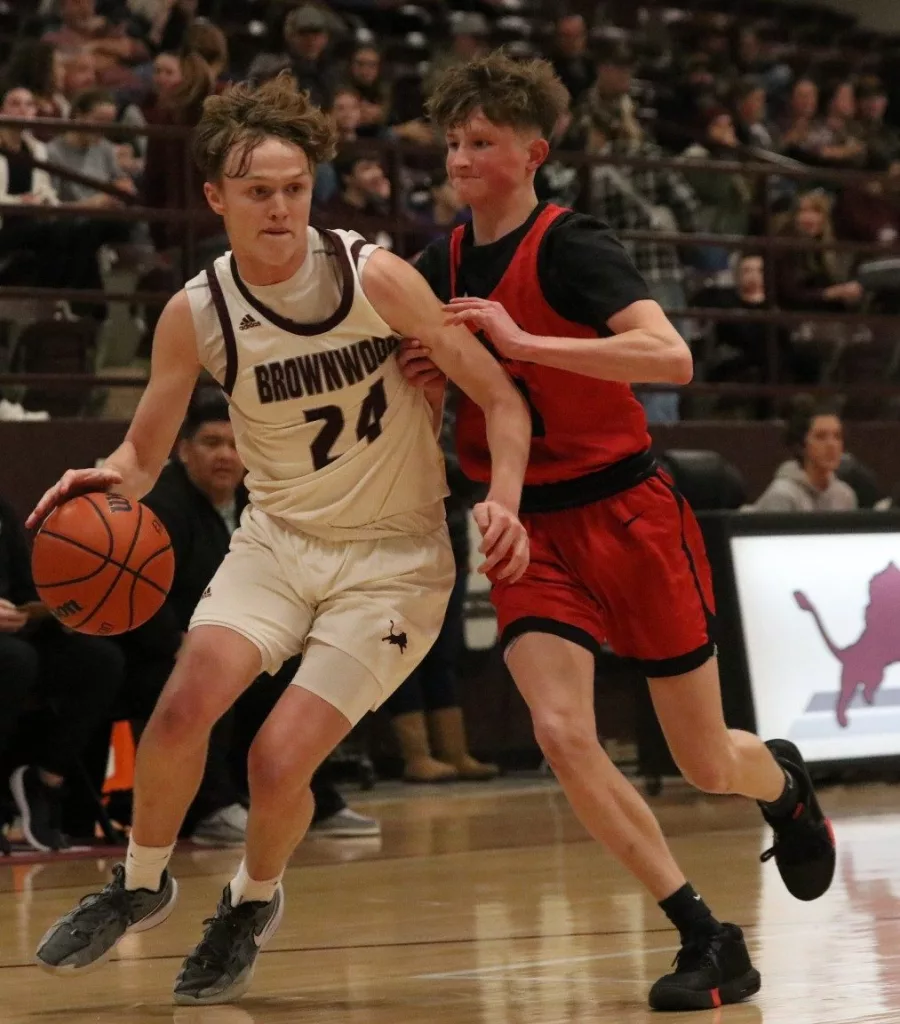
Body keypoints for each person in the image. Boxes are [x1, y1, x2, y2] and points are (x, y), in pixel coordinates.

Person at [30, 73, 531, 1005]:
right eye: (257, 190)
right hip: (278, 540)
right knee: (180, 710)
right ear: (215, 197)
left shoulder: (376, 277)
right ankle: (140, 883)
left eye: (294, 188)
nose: (279, 207)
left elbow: (502, 399)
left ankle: (251, 900)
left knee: (275, 758)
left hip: (393, 559)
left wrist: (502, 501)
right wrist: (104, 479)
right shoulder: (196, 313)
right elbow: (143, 453)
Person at [401, 51, 836, 1012]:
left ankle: (782, 787)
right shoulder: (439, 264)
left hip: (628, 513)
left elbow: (671, 357)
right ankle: (706, 933)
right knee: (562, 732)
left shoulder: (573, 245)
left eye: (481, 142)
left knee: (704, 761)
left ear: (533, 153)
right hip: (530, 526)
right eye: (453, 142)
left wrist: (524, 342)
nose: (460, 159)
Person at [751, 400, 857, 512]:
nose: (832, 445)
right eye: (820, 437)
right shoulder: (781, 495)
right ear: (800, 445)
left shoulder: (845, 496)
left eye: (837, 436)